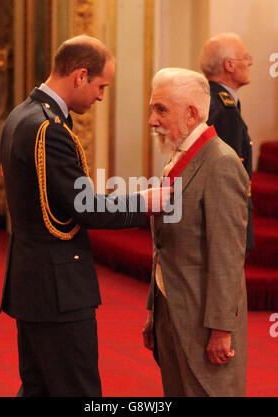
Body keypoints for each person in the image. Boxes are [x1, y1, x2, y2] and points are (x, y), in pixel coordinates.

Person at [0, 35, 170, 397]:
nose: (100, 96)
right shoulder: (48, 128)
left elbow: (65, 197)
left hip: (33, 282)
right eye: (100, 85)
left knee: (40, 388)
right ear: (79, 76)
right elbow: (84, 207)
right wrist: (143, 201)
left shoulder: (22, 115)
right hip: (57, 287)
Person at [142, 68, 249, 397]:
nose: (151, 120)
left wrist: (221, 329)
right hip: (171, 314)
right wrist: (153, 311)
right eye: (152, 109)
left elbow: (227, 256)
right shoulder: (177, 158)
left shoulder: (221, 163)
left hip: (205, 324)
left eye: (161, 109)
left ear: (191, 114)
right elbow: (165, 245)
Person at [200, 32, 254, 254]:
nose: (250, 62)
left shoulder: (208, 100)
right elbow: (227, 176)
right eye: (246, 57)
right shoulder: (225, 110)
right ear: (229, 65)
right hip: (225, 219)